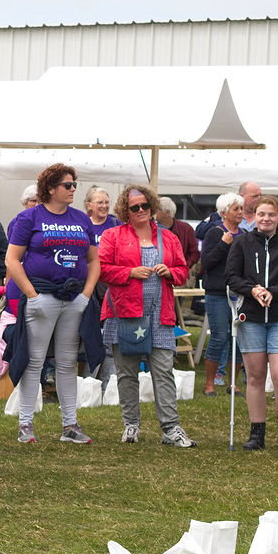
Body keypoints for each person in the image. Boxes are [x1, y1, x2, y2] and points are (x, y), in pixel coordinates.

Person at [4, 163, 100, 445]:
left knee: (68, 362)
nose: (73, 189)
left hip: (74, 298)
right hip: (43, 296)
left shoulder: (81, 219)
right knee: (34, 361)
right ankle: (25, 424)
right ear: (50, 188)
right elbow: (12, 259)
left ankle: (70, 424)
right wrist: (33, 295)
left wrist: (86, 295)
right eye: (67, 185)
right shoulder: (29, 217)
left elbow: (94, 260)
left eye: (74, 184)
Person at [98, 185, 193, 446]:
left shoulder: (169, 238)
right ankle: (131, 425)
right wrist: (129, 272)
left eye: (145, 205)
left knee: (164, 371)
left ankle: (171, 429)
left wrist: (170, 272)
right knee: (126, 373)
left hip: (161, 315)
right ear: (125, 211)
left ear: (152, 206)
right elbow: (101, 269)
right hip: (124, 313)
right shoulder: (112, 235)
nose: (141, 210)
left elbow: (183, 271)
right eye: (134, 207)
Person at [228, 194, 278, 452]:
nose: (266, 218)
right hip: (250, 318)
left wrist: (273, 292)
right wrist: (252, 290)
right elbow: (232, 277)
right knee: (256, 376)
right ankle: (256, 432)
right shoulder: (242, 242)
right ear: (254, 216)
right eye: (261, 214)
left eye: (271, 214)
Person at [200, 193, 246, 396]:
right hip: (217, 293)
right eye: (236, 209)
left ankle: (232, 384)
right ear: (224, 212)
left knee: (238, 338)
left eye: (241, 208)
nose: (240, 212)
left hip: (240, 294)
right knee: (219, 337)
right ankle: (210, 383)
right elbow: (206, 263)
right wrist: (223, 244)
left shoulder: (245, 234)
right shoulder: (214, 233)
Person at [155, 197, 199, 273]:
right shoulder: (151, 228)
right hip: (156, 272)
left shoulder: (186, 229)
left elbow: (195, 253)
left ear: (167, 213)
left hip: (177, 275)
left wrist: (183, 267)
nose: (154, 211)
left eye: (158, 209)